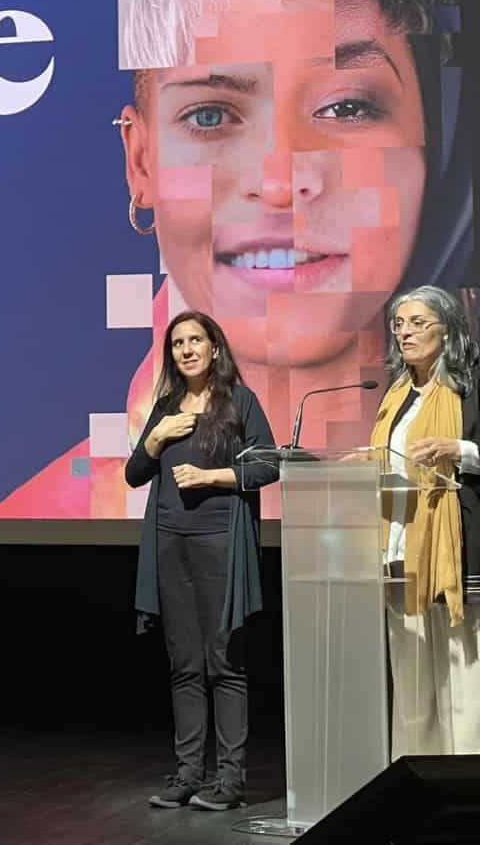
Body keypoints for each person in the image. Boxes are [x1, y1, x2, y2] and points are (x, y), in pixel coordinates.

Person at [0, 0, 480, 522]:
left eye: (345, 106)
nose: (281, 180)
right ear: (141, 164)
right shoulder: (50, 518)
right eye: (213, 116)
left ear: (447, 151)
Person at [126, 310, 277, 810]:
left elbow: (269, 463)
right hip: (172, 544)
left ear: (215, 347)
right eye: (177, 343)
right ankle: (189, 773)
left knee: (224, 663)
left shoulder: (239, 402)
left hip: (219, 545)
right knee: (183, 665)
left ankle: (230, 780)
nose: (186, 349)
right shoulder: (167, 407)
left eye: (196, 340)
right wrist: (154, 439)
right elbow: (134, 473)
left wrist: (212, 478)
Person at [373, 284, 480, 756]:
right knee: (416, 694)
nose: (405, 333)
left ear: (449, 331)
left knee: (472, 691)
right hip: (403, 561)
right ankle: (416, 786)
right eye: (398, 324)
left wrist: (457, 449)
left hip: (466, 561)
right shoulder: (396, 396)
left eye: (418, 323)